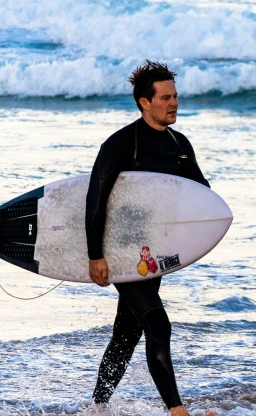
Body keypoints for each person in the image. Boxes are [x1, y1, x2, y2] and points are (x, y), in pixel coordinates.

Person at [86, 60, 214, 416]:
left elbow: (200, 196)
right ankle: (176, 410)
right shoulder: (122, 144)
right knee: (158, 322)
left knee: (127, 333)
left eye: (175, 96)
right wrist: (96, 254)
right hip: (120, 249)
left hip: (151, 254)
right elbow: (95, 200)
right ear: (145, 102)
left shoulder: (179, 144)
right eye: (165, 97)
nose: (173, 103)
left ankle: (97, 407)